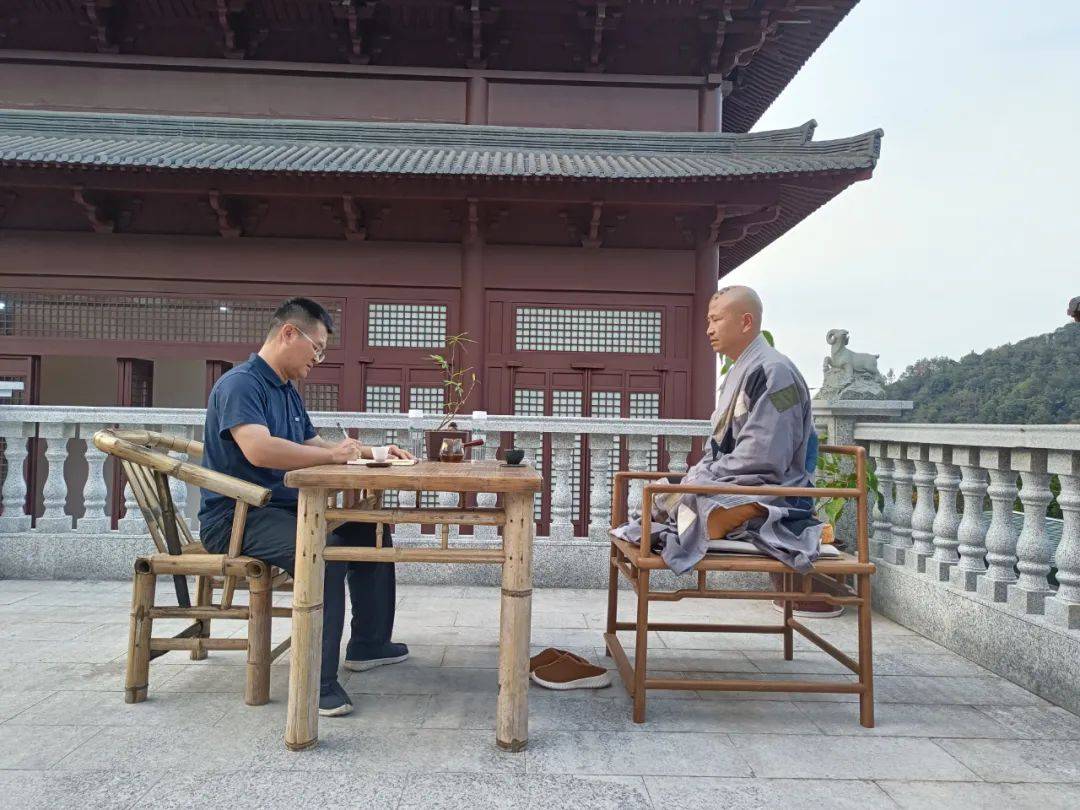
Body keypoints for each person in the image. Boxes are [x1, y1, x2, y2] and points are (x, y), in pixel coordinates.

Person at [198, 297, 413, 717]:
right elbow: (259, 450)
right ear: (288, 333)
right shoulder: (241, 384)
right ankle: (318, 681)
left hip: (283, 510)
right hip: (238, 518)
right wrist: (331, 458)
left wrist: (370, 451)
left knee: (369, 531)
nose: (319, 358)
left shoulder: (286, 390)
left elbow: (313, 444)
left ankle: (369, 643)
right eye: (317, 347)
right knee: (325, 551)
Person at [614, 285, 823, 574]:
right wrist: (698, 475)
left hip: (770, 489)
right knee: (660, 495)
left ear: (746, 322)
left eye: (717, 320)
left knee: (693, 506)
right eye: (708, 321)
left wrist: (703, 478)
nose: (709, 330)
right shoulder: (742, 370)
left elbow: (765, 456)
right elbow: (720, 448)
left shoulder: (776, 372)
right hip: (735, 478)